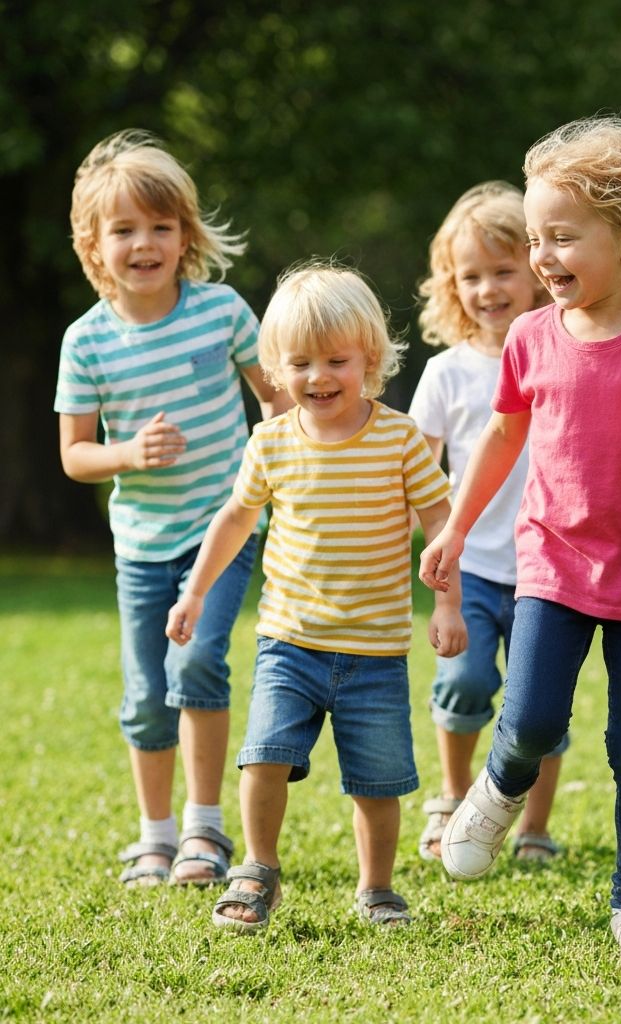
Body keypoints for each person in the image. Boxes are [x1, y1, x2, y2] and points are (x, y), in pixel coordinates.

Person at [419, 117, 621, 957]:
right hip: (552, 565)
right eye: (536, 240)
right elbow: (501, 437)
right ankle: (495, 790)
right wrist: (455, 526)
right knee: (527, 721)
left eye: (563, 238)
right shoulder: (531, 336)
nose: (543, 258)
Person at [165, 262, 466, 932]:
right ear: (274, 367)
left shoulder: (400, 440)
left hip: (375, 652)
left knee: (377, 782)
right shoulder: (270, 441)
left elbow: (441, 523)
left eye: (337, 360)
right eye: (300, 363)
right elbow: (234, 521)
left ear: (371, 359)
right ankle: (258, 868)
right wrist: (193, 595)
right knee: (264, 755)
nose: (319, 377)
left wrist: (447, 604)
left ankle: (377, 888)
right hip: (288, 642)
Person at [55, 130, 288, 889]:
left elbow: (277, 401)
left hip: (223, 527)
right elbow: (75, 454)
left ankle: (204, 830)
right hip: (141, 543)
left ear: (186, 234)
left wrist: (311, 462)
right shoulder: (86, 343)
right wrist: (128, 455)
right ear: (94, 245)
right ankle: (155, 836)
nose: (144, 243)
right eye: (124, 229)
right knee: (146, 694)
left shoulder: (221, 311)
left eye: (160, 226)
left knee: (197, 662)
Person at [409, 181, 566, 866]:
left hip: (549, 564)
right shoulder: (446, 374)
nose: (489, 289)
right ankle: (451, 796)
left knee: (542, 705)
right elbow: (416, 468)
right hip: (470, 566)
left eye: (503, 271)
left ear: (534, 270)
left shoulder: (562, 350)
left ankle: (533, 825)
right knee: (466, 682)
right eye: (470, 276)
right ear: (450, 285)